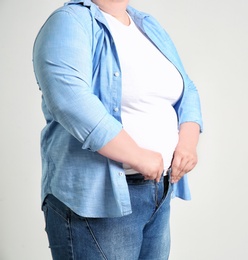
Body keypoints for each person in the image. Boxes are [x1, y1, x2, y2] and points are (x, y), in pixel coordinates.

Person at [32, 0, 203, 258]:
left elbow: (186, 87)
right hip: (99, 203)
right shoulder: (69, 21)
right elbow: (69, 100)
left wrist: (188, 143)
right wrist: (137, 155)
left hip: (159, 191)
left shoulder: (146, 25)